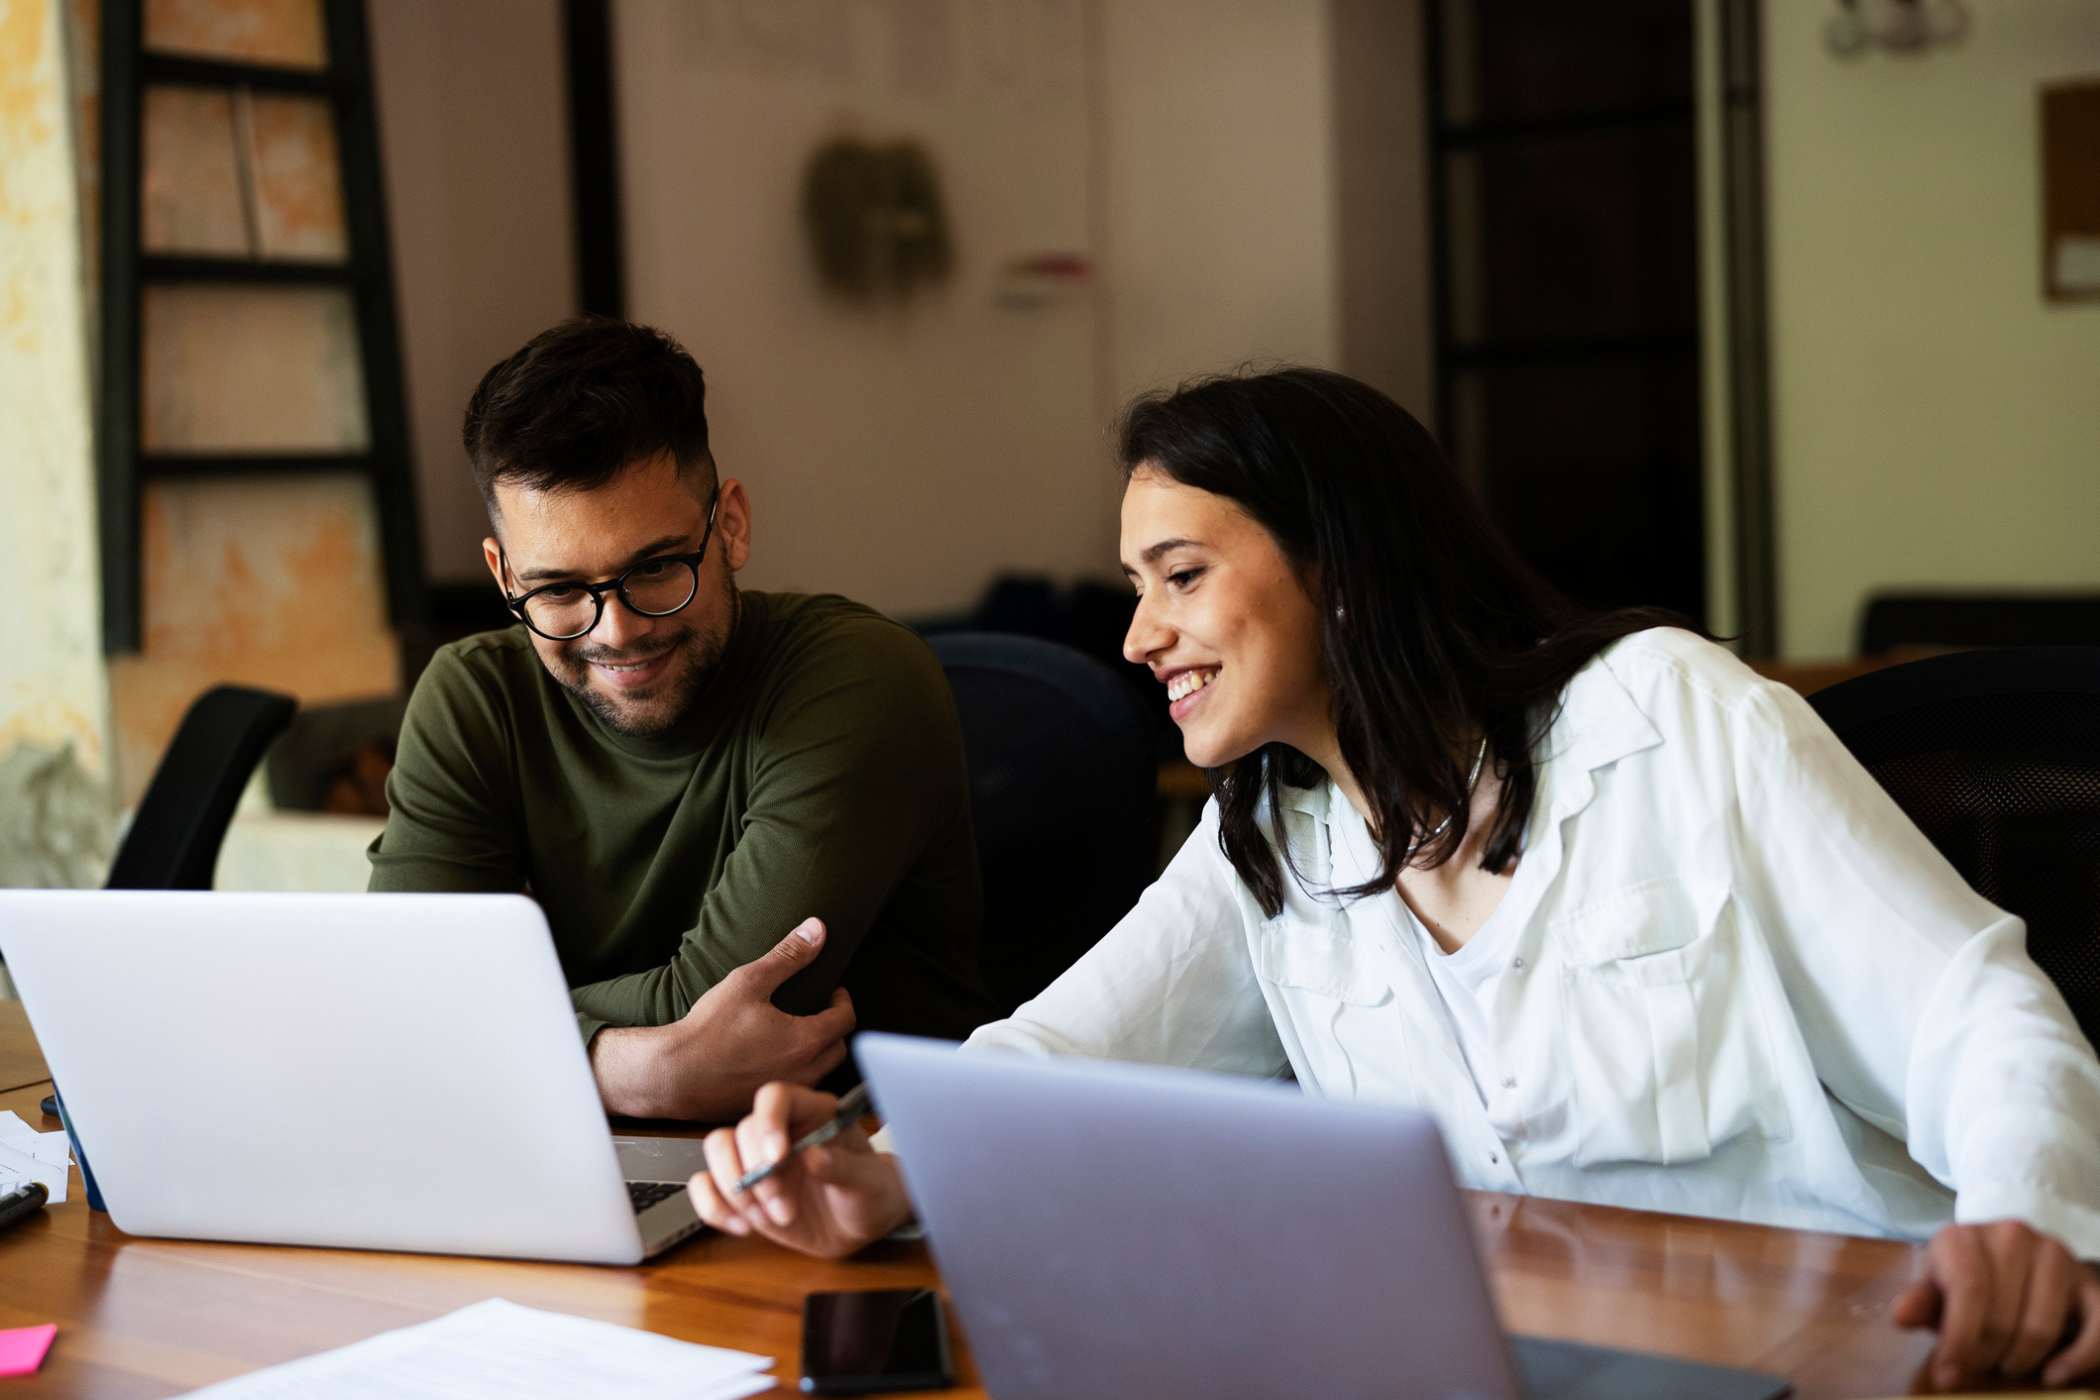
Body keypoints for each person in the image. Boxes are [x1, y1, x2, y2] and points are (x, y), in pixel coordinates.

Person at [691, 368, 2100, 1391]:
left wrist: (2023, 1219)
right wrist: (874, 1174)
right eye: (1136, 586)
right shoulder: (1269, 832)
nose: (1138, 637)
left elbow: (1975, 1009)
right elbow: (1048, 1062)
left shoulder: (1671, 718)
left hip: (1853, 1348)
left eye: (1178, 575)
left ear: (1341, 568)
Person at [368, 318, 993, 1121]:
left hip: (860, 1174)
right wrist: (622, 1071)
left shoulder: (859, 678)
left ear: (728, 524)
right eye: (557, 590)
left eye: (657, 569)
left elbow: (717, 1004)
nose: (616, 630)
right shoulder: (473, 697)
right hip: (569, 1152)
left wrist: (484, 1034)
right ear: (502, 574)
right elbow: (400, 1006)